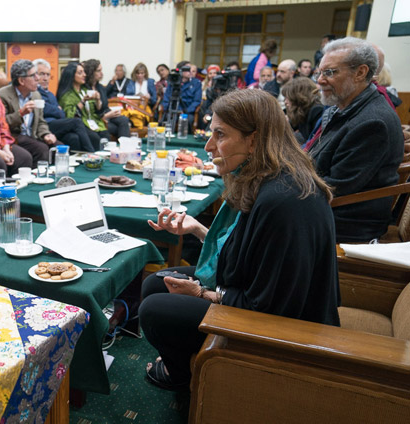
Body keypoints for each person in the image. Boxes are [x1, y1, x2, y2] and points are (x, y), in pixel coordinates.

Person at [140, 89, 340, 392]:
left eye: (220, 135)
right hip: (261, 300)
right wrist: (197, 229)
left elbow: (268, 308)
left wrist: (201, 295)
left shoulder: (284, 201)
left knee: (154, 309)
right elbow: (251, 253)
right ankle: (180, 364)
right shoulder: (271, 178)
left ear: (254, 139)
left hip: (282, 330)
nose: (209, 146)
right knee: (156, 283)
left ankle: (183, 375)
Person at [306, 37, 404, 243]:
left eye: (330, 72)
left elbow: (336, 187)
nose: (320, 80)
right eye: (319, 73)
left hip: (347, 222)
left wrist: (282, 185)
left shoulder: (373, 122)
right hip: (329, 206)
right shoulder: (345, 106)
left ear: (360, 73)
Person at [0, 59, 57, 163]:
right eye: (33, 75)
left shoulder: (36, 94)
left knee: (58, 146)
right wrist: (21, 113)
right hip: (14, 136)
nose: (38, 78)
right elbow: (1, 123)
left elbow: (41, 121)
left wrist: (45, 134)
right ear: (21, 81)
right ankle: (37, 178)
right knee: (41, 149)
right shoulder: (2, 95)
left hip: (32, 136)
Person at [33, 58, 93, 152]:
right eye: (42, 74)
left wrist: (57, 110)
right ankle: (91, 154)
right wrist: (58, 110)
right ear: (34, 75)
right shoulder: (33, 91)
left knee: (73, 138)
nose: (45, 78)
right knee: (76, 122)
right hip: (44, 125)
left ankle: (76, 162)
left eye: (48, 74)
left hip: (57, 124)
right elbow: (45, 110)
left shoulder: (50, 94)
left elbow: (61, 114)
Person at [57, 62, 109, 150]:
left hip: (93, 122)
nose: (84, 75)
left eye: (84, 72)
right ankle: (93, 160)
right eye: (80, 73)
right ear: (72, 75)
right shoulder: (67, 95)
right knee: (95, 138)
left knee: (105, 134)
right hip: (80, 125)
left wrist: (97, 99)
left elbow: (98, 109)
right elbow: (70, 116)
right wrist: (83, 101)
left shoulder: (85, 90)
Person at [82, 59, 130, 141]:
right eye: (98, 71)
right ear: (91, 72)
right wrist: (105, 116)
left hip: (107, 115)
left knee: (124, 119)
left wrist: (110, 113)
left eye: (101, 70)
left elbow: (104, 105)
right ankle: (124, 147)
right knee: (118, 128)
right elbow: (89, 112)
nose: (101, 73)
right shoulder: (84, 88)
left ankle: (124, 148)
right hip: (95, 120)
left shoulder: (100, 87)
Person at [160, 60, 202, 133]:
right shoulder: (172, 82)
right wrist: (170, 110)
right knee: (163, 121)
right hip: (172, 110)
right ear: (180, 71)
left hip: (187, 112)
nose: (190, 71)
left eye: (191, 69)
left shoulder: (196, 83)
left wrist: (185, 111)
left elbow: (196, 101)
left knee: (189, 121)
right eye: (187, 69)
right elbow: (166, 99)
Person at [281, 78, 323, 146]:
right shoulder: (301, 110)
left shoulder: (316, 111)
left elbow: (313, 141)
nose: (285, 102)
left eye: (288, 98)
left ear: (297, 97)